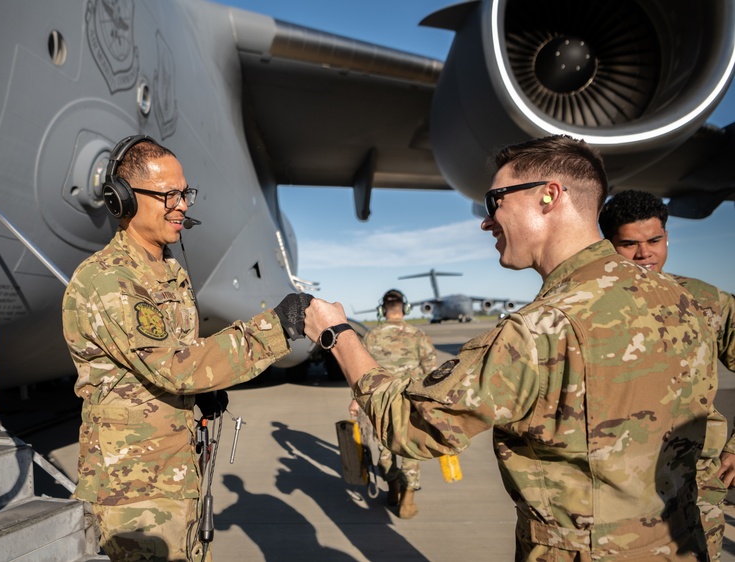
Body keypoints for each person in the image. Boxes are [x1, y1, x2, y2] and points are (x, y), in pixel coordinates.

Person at [302, 134, 724, 560]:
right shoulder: (689, 299)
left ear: (548, 196)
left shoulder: (540, 329)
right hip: (684, 543)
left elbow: (410, 426)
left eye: (495, 201)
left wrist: (337, 334)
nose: (487, 222)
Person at [62, 135, 312, 561]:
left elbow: (182, 358)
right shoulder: (109, 281)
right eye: (169, 195)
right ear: (123, 199)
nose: (183, 205)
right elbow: (176, 368)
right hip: (134, 498)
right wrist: (280, 326)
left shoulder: (168, 273)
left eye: (185, 193)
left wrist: (201, 390)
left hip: (177, 480)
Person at [599, 189, 735, 558]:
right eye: (630, 244)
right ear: (608, 245)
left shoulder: (707, 302)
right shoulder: (587, 307)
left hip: (695, 485)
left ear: (666, 237)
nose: (645, 253)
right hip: (611, 495)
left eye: (655, 240)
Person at [348, 289, 436, 519]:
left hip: (382, 405)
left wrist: (355, 401)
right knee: (410, 450)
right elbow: (433, 373)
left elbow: (361, 374)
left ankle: (393, 488)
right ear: (404, 308)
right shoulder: (418, 336)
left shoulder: (372, 337)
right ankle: (407, 500)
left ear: (382, 310)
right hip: (411, 405)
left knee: (385, 449)